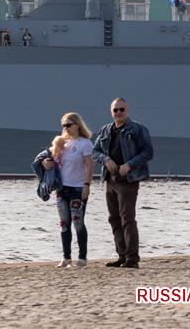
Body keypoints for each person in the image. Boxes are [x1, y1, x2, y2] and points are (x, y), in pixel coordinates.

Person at [92, 98, 154, 269]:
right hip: (110, 180)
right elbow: (94, 151)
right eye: (115, 110)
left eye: (122, 109)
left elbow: (148, 152)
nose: (118, 113)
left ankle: (132, 259)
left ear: (128, 110)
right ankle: (121, 256)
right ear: (111, 112)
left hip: (128, 180)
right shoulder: (105, 130)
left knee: (127, 218)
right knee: (114, 219)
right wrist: (105, 159)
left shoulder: (138, 129)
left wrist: (130, 165)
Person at [39, 113, 94, 268]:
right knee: (64, 223)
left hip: (78, 188)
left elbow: (90, 165)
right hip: (62, 188)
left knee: (78, 222)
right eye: (63, 125)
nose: (66, 128)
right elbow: (51, 160)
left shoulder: (85, 143)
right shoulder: (61, 142)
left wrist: (87, 185)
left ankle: (82, 258)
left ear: (77, 125)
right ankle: (66, 257)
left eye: (69, 124)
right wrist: (45, 163)